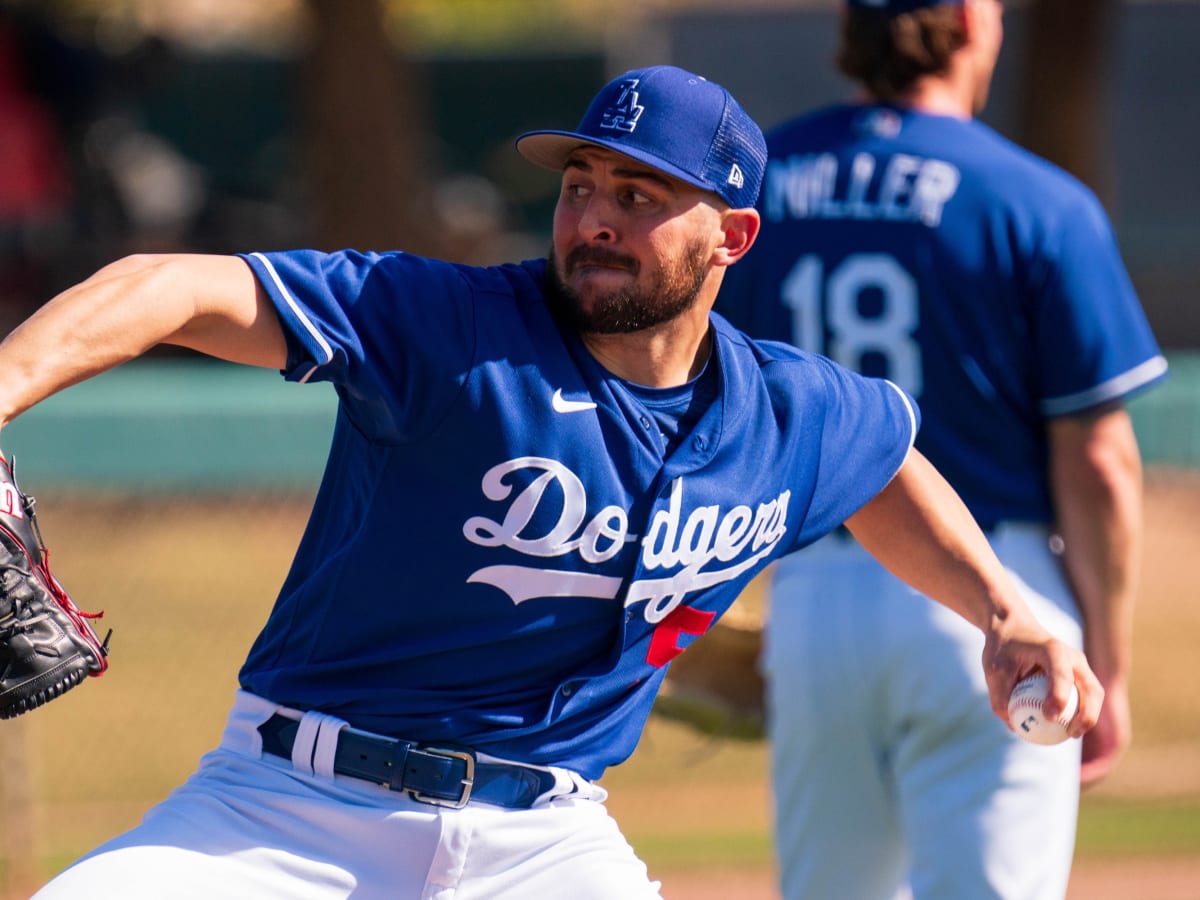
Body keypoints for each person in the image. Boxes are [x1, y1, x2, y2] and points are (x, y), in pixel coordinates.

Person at [2, 65, 1100, 900]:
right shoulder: (444, 328)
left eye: (641, 192)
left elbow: (887, 470)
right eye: (581, 184)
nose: (596, 217)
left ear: (735, 236)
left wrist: (1006, 607)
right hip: (287, 811)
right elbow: (164, 286)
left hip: (544, 844)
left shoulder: (790, 410)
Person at [716, 3, 1168, 898]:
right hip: (992, 600)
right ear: (971, 22)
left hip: (811, 602)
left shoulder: (758, 189)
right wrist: (1106, 664)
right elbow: (1101, 458)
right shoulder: (1033, 197)